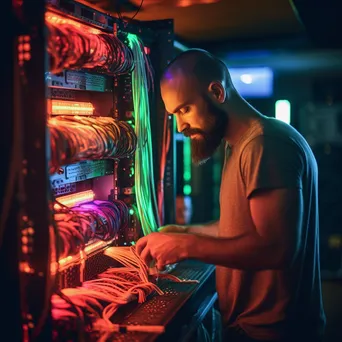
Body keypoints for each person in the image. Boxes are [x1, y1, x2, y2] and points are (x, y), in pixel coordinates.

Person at [136, 49, 326, 342]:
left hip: (272, 332)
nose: (180, 126)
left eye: (185, 109)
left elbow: (277, 249)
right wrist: (184, 231)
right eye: (174, 114)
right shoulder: (240, 145)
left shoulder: (264, 144)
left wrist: (186, 246)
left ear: (217, 91)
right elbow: (242, 229)